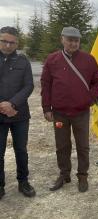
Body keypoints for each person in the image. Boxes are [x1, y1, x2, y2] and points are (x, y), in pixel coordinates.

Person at [41, 27, 98, 192]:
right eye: (70, 39)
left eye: (76, 40)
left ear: (79, 42)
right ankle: (64, 174)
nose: (73, 43)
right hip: (60, 113)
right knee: (62, 145)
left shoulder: (89, 60)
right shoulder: (52, 59)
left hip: (81, 112)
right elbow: (46, 84)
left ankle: (82, 176)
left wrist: (90, 98)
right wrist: (46, 107)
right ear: (62, 39)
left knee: (83, 146)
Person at [0, 26, 36, 199]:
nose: (8, 45)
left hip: (19, 114)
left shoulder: (23, 61)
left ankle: (23, 181)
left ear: (17, 43)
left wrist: (12, 104)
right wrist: (3, 105)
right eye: (4, 41)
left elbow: (29, 85)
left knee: (21, 149)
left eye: (11, 42)